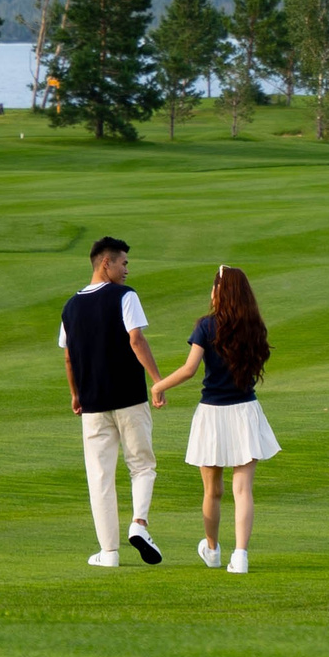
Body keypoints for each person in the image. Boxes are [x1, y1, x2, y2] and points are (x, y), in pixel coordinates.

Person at [151, 265, 278, 574]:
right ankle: (241, 555)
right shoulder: (253, 326)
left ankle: (212, 550)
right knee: (243, 489)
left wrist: (158, 385)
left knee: (213, 491)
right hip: (245, 412)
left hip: (212, 414)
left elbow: (189, 369)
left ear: (219, 292)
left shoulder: (206, 327)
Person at [58, 235, 164, 567]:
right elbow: (136, 338)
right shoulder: (124, 296)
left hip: (91, 403)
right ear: (107, 263)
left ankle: (108, 553)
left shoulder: (70, 306)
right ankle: (139, 523)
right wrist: (159, 381)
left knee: (100, 476)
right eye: (123, 263)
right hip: (129, 397)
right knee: (142, 465)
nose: (127, 270)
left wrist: (75, 394)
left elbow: (69, 358)